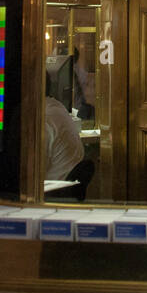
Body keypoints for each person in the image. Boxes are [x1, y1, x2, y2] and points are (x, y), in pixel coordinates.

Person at [44, 72, 91, 200]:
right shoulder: (56, 107)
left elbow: (33, 171)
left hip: (52, 194)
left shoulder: (44, 118)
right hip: (62, 188)